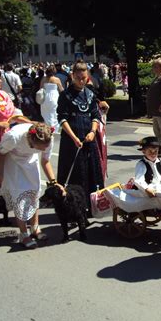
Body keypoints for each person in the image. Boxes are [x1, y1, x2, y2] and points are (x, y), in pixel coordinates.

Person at [0, 122, 61, 249]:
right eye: (41, 148)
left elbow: (45, 161)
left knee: (35, 191)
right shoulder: (14, 137)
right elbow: (0, 153)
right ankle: (24, 234)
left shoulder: (48, 138)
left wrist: (54, 182)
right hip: (13, 162)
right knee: (20, 195)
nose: (43, 149)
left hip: (30, 161)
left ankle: (35, 227)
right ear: (32, 141)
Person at [56, 61, 105, 212]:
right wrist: (74, 137)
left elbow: (95, 115)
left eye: (84, 78)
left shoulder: (90, 94)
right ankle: (72, 206)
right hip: (72, 141)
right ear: (72, 76)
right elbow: (62, 119)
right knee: (74, 174)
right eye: (78, 78)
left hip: (89, 138)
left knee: (91, 171)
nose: (81, 81)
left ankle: (92, 205)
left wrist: (92, 131)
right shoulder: (65, 95)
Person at [40, 65, 64, 133]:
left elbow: (40, 88)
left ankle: (47, 129)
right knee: (54, 113)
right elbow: (61, 90)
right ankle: (54, 130)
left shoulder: (43, 79)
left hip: (45, 97)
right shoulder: (56, 79)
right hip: (54, 97)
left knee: (46, 113)